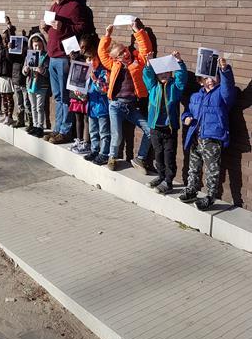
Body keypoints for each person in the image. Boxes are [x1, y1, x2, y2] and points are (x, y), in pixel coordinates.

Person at [179, 57, 236, 210]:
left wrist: (224, 70)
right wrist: (186, 118)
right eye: (206, 78)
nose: (210, 80)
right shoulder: (195, 96)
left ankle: (211, 196)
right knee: (194, 166)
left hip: (212, 137)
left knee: (212, 169)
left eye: (213, 76)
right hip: (196, 136)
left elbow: (228, 87)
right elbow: (188, 111)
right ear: (200, 81)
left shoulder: (222, 95)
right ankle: (191, 190)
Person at [98, 19, 153, 173]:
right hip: (115, 105)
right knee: (117, 135)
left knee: (149, 130)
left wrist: (137, 31)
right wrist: (107, 36)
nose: (125, 53)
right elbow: (102, 54)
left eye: (125, 50)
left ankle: (140, 158)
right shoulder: (113, 65)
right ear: (116, 58)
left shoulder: (138, 61)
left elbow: (145, 49)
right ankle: (112, 157)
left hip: (132, 105)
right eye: (121, 54)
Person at [40, 0, 88, 144]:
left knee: (65, 97)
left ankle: (65, 131)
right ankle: (57, 129)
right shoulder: (54, 6)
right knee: (58, 96)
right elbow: (52, 29)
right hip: (52, 56)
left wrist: (64, 27)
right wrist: (44, 27)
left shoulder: (74, 6)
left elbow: (82, 27)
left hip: (63, 57)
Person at [142, 51, 188, 193]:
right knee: (158, 154)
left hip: (169, 128)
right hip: (155, 128)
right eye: (161, 73)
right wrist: (149, 63)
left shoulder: (175, 87)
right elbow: (147, 76)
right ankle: (161, 176)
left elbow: (182, 78)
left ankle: (168, 181)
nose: (164, 75)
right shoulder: (153, 87)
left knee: (169, 156)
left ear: (171, 73)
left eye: (167, 72)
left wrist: (179, 61)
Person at [82, 35, 111, 166]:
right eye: (88, 60)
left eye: (93, 59)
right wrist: (81, 94)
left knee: (104, 132)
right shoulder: (86, 72)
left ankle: (104, 153)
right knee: (93, 131)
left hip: (102, 107)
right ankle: (95, 150)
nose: (91, 62)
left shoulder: (103, 72)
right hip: (91, 107)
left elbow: (104, 89)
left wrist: (95, 79)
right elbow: (86, 92)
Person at [22, 32, 50, 138]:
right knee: (33, 106)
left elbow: (48, 73)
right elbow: (24, 71)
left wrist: (41, 70)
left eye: (39, 45)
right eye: (35, 45)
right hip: (30, 84)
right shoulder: (29, 55)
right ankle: (34, 124)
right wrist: (26, 69)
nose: (37, 47)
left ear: (43, 44)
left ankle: (40, 127)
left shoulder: (46, 57)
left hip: (41, 85)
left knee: (39, 107)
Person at [68, 42, 90, 155]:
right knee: (78, 119)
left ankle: (86, 142)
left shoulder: (88, 61)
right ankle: (79, 140)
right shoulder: (74, 61)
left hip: (85, 95)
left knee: (86, 119)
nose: (82, 49)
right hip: (75, 93)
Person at [0, 22, 15, 125]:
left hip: (8, 75)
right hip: (1, 75)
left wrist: (9, 27)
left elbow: (12, 36)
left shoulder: (12, 49)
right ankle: (5, 115)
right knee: (3, 97)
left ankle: (10, 116)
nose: (4, 40)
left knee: (9, 97)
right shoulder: (1, 46)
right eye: (4, 38)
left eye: (6, 38)